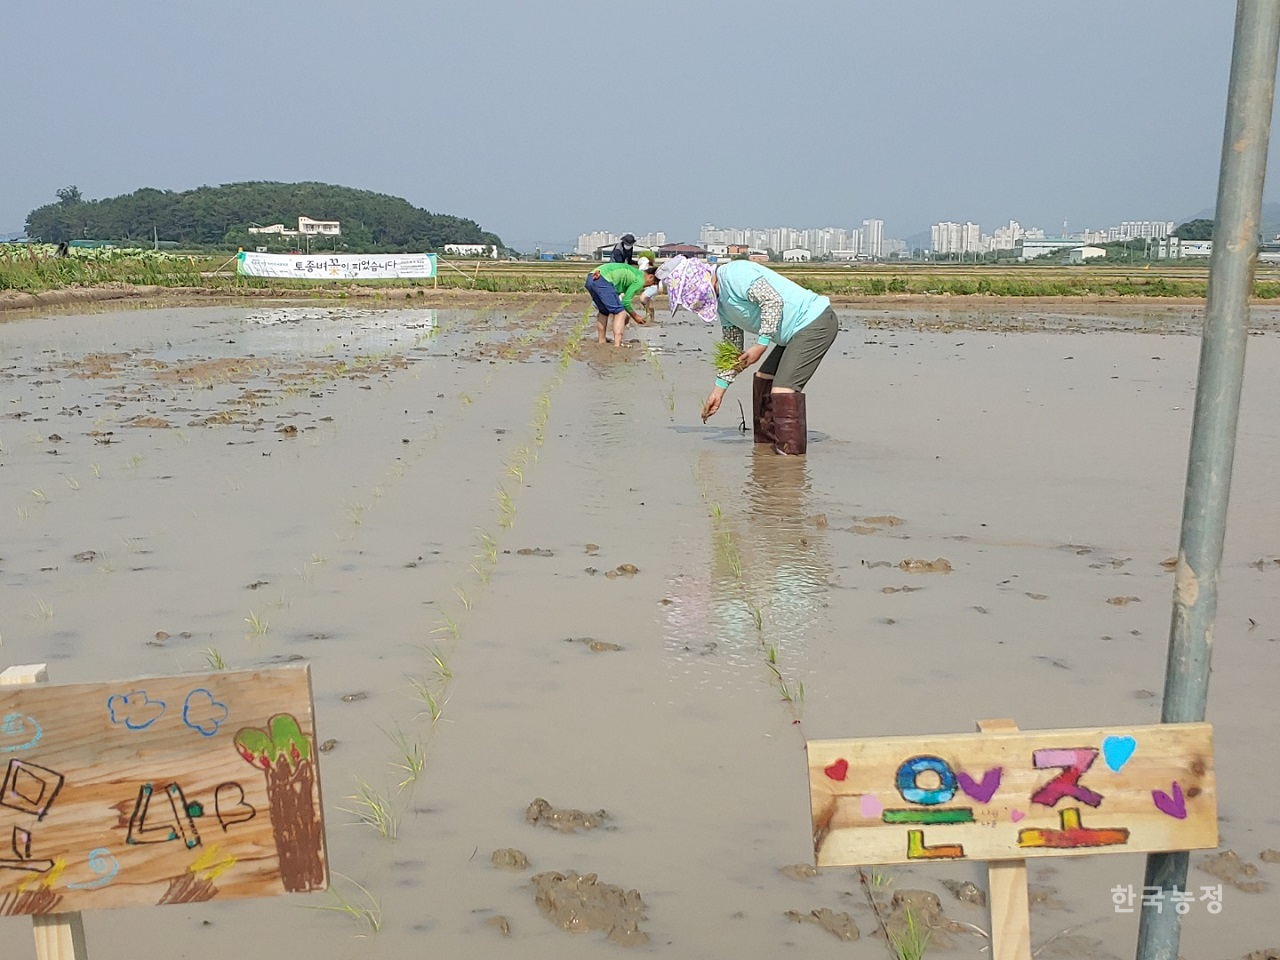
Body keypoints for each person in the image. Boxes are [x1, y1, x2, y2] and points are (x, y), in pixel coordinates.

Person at [657, 255, 838, 455]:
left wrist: (761, 345)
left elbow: (772, 301)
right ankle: (765, 451)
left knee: (782, 390)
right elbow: (732, 346)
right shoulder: (722, 305)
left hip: (814, 322)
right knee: (764, 380)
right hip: (791, 335)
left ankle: (790, 460)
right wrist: (718, 391)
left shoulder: (735, 273)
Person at [585, 260, 655, 347]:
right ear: (650, 277)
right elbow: (626, 302)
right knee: (620, 313)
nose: (650, 286)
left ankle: (602, 341)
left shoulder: (634, 273)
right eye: (653, 283)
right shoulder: (640, 279)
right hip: (602, 279)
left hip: (591, 278)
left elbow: (616, 292)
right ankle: (617, 344)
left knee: (604, 311)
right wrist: (635, 316)